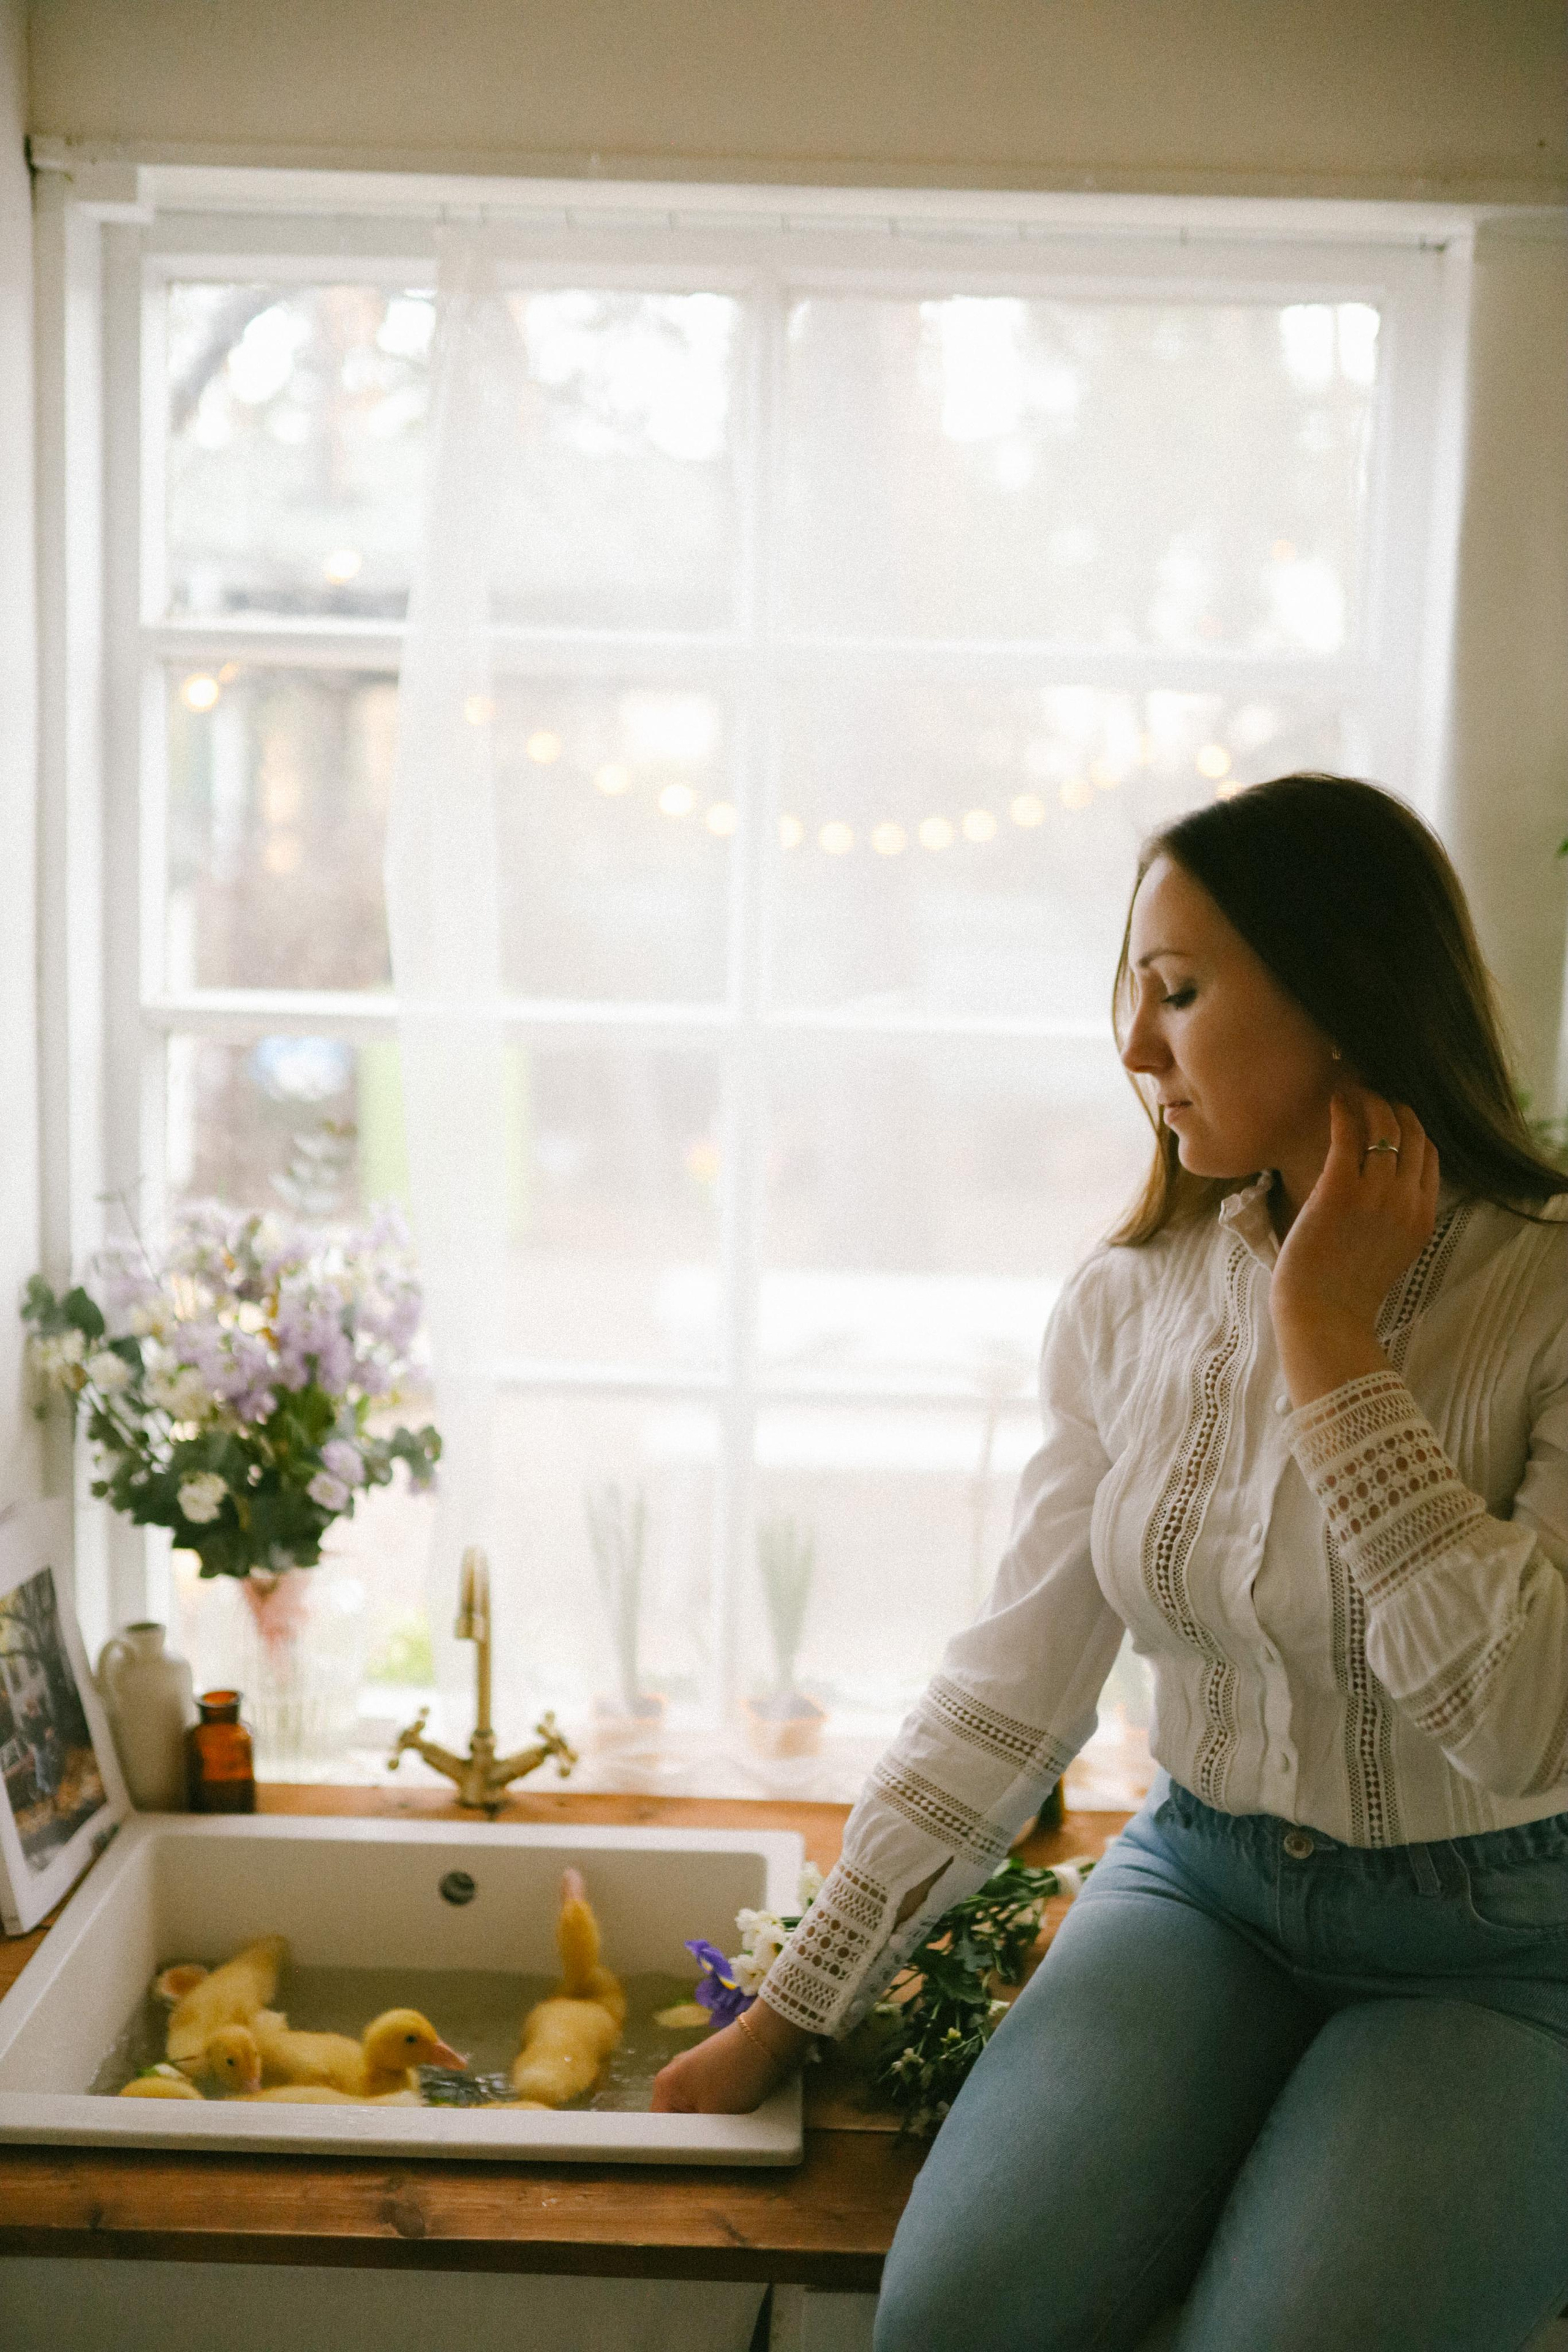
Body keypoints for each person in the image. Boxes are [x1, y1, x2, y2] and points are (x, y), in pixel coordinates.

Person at [651, 774, 1568, 2350]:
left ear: (1345, 993)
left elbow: (1518, 1720)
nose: (1134, 1049)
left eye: (1181, 993)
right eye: (1131, 994)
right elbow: (1014, 1680)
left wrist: (1331, 1348)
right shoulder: (1128, 1297)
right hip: (1200, 1886)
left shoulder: (1545, 1286)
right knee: (947, 2324)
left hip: (1502, 1949)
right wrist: (798, 2002)